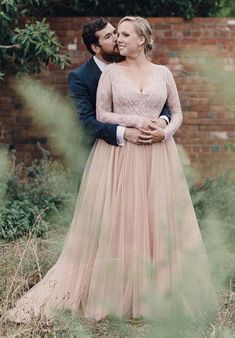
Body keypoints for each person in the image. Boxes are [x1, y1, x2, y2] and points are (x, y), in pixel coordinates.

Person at [7, 16, 217, 324]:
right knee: (119, 219)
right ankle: (113, 290)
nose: (118, 39)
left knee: (155, 218)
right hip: (120, 155)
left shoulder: (163, 72)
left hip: (159, 154)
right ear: (97, 45)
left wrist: (163, 130)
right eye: (113, 35)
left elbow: (175, 111)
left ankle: (157, 290)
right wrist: (132, 124)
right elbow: (100, 114)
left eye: (123, 34)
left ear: (142, 40)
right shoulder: (109, 74)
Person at [68, 18, 171, 170]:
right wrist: (124, 133)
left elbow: (156, 99)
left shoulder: (136, 62)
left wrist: (163, 119)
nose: (117, 38)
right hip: (100, 159)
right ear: (96, 48)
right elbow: (86, 122)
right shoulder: (80, 77)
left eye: (115, 32)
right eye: (108, 37)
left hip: (144, 154)